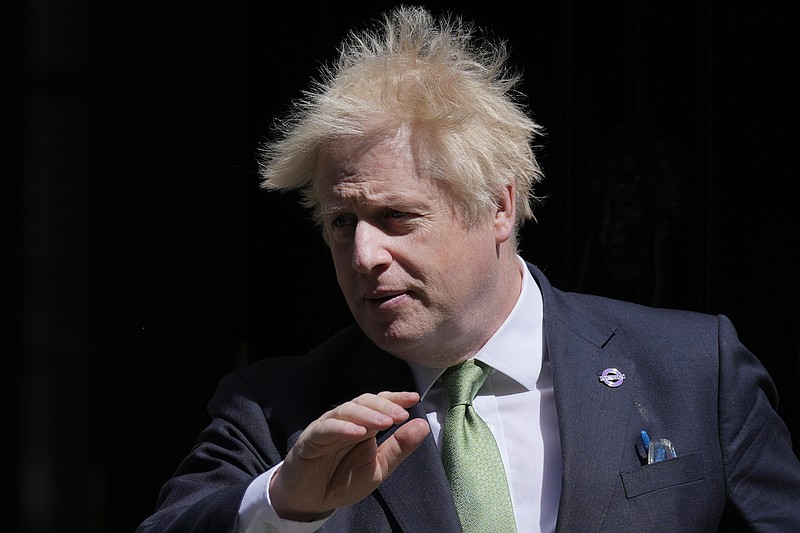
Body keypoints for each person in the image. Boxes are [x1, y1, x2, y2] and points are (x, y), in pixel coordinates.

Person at [137, 6, 800, 532]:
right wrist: (284, 501)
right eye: (342, 223)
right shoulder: (274, 414)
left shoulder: (693, 370)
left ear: (498, 206)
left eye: (397, 216)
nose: (365, 254)